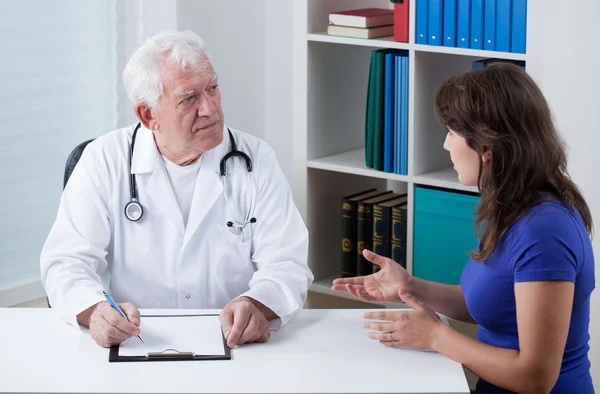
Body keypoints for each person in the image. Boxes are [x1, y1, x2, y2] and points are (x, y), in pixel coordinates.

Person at [40, 30, 313, 349]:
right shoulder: (103, 160)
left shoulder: (255, 159)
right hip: (139, 342)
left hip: (235, 344)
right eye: (189, 98)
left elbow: (287, 263)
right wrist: (97, 311)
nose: (210, 109)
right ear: (148, 115)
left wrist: (256, 305)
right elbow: (66, 263)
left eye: (212, 88)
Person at [332, 63, 595, 393]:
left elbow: (536, 377)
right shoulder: (513, 207)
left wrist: (435, 336)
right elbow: (491, 302)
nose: (445, 145)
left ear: (486, 147)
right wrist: (409, 286)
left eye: (453, 133)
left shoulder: (544, 231)